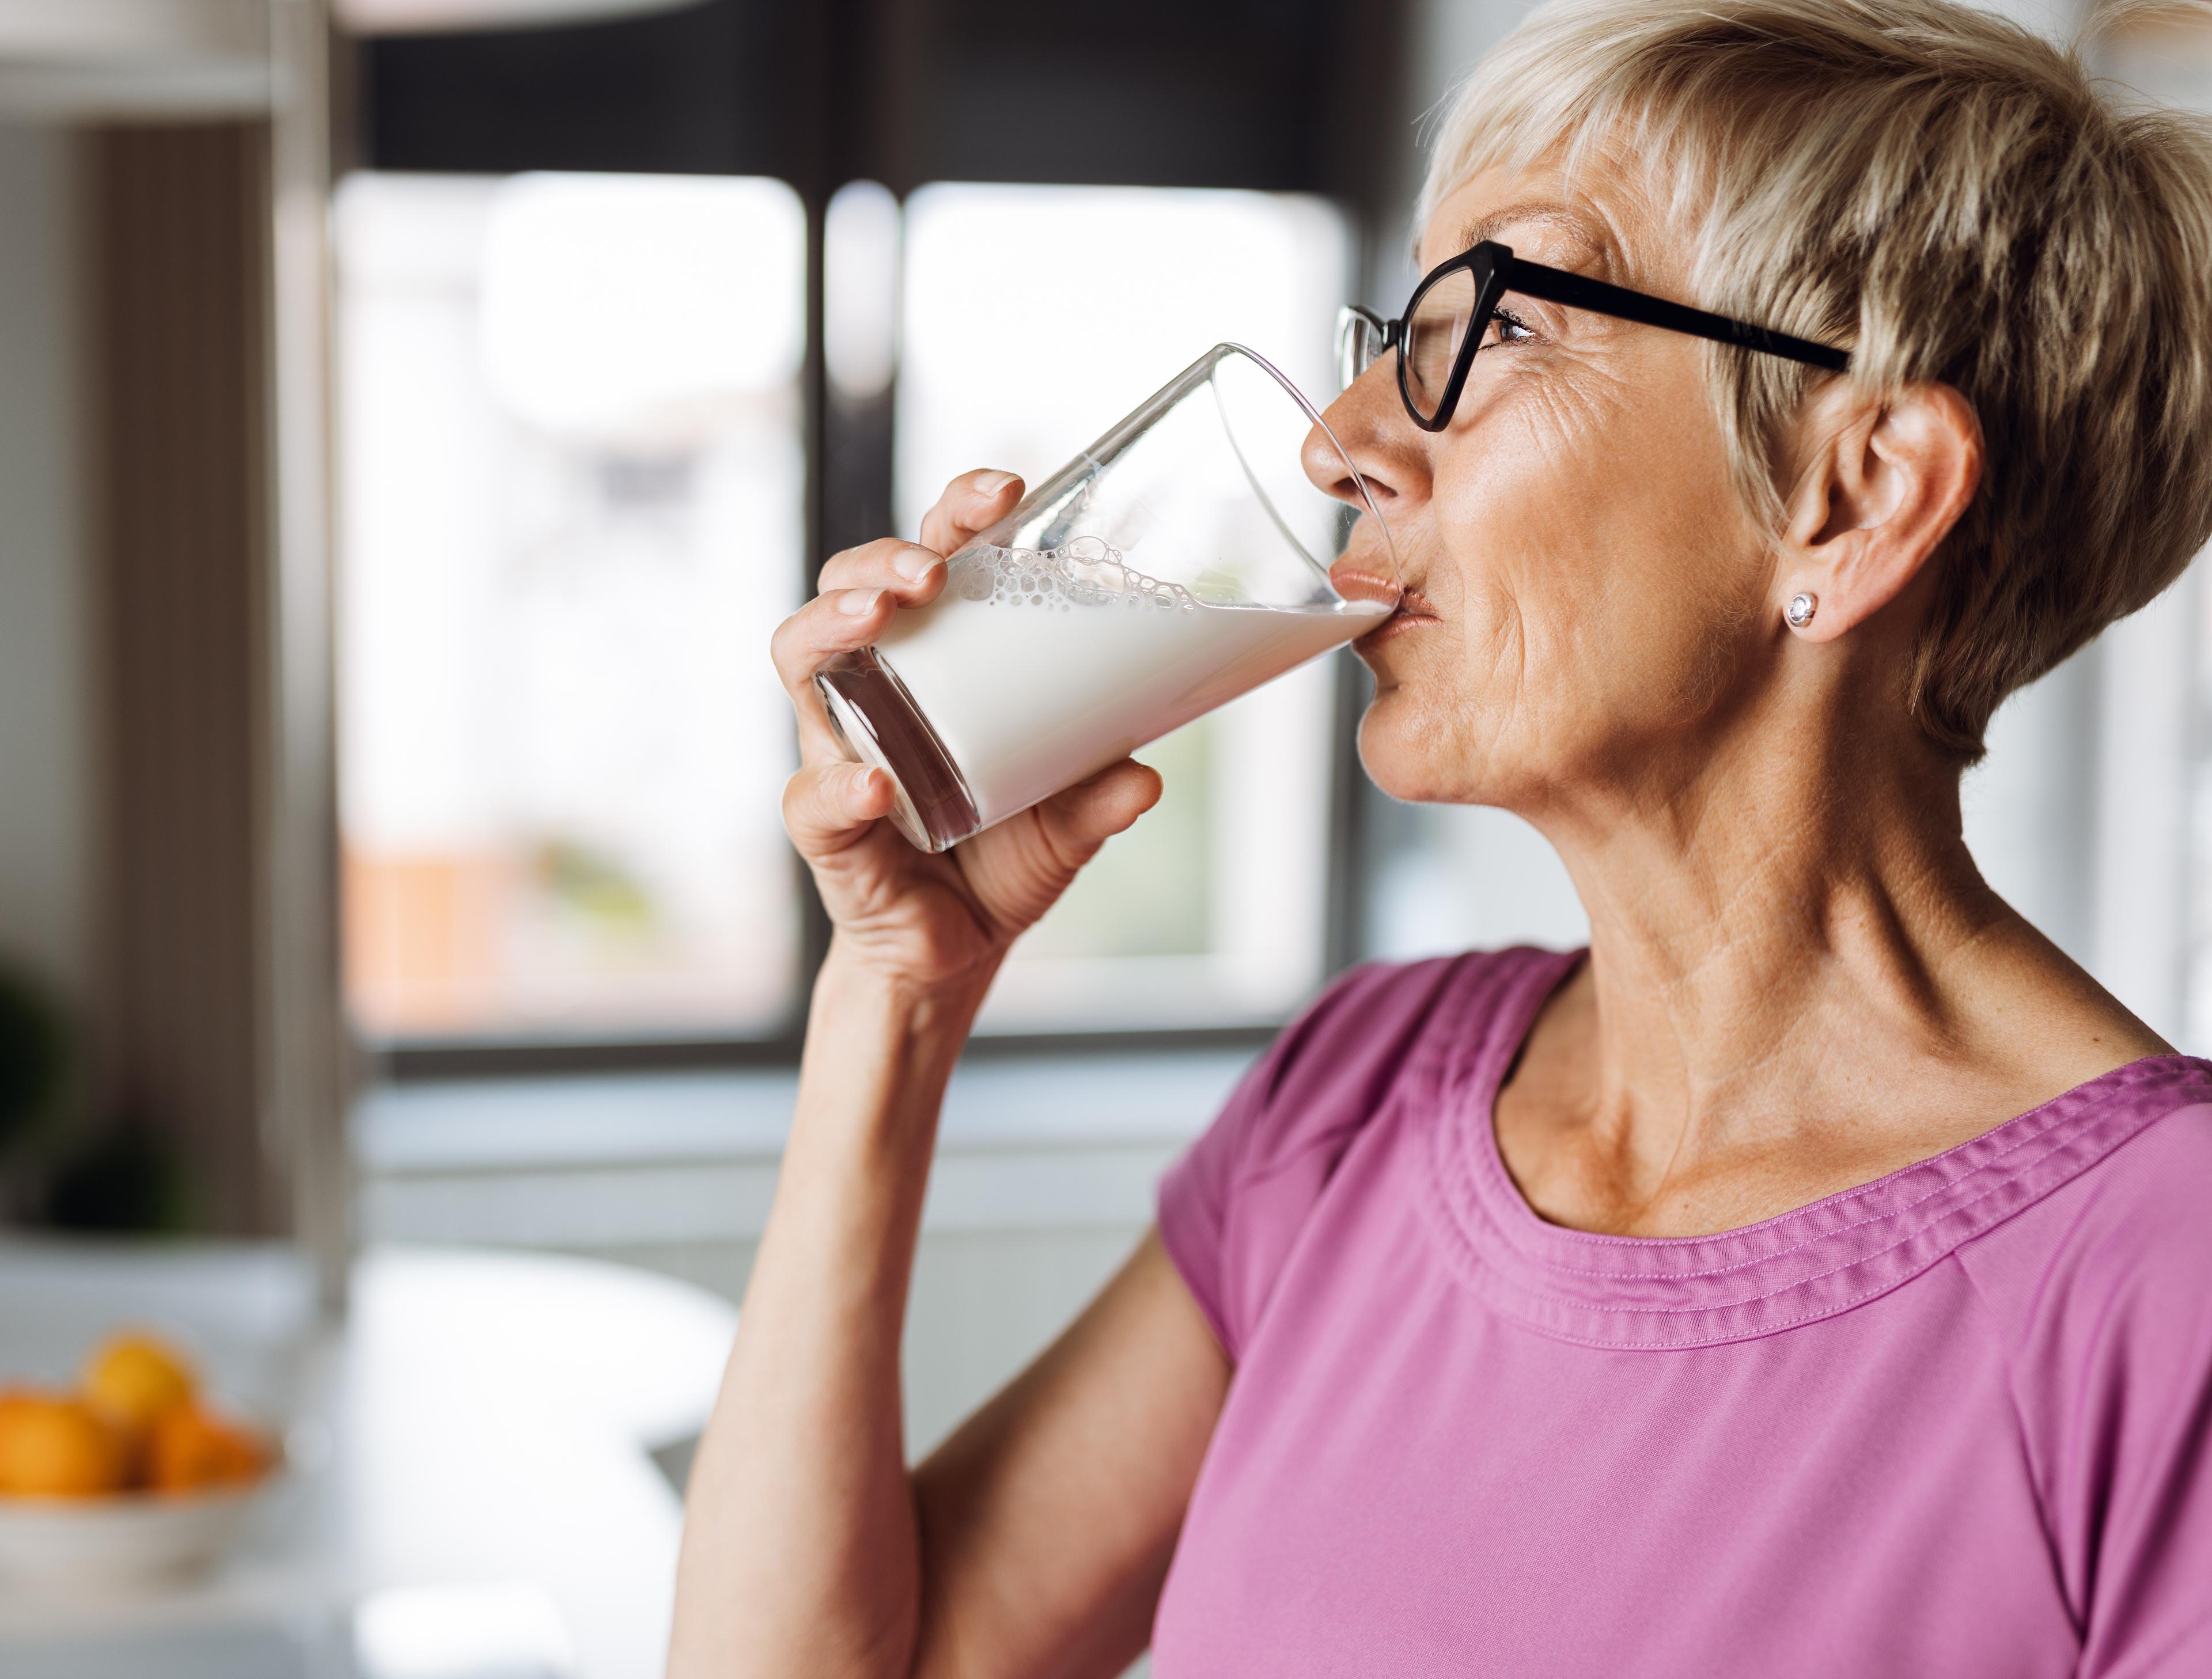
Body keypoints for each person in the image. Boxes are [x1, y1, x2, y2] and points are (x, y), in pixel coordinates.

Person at [668, 2, 2212, 1673]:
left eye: (1498, 323)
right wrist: (893, 994)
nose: (1341, 438)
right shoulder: (1361, 1096)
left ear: (1856, 493)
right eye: (1397, 323)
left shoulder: (2162, 1289)